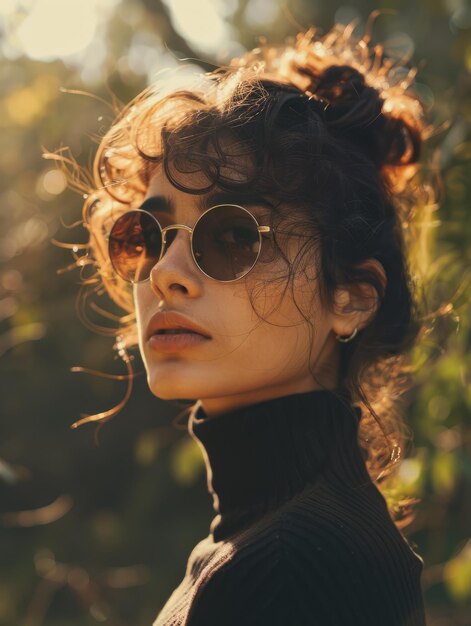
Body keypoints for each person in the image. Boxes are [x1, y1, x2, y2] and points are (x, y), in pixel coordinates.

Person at [53, 18, 434, 626]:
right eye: (145, 237)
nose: (164, 273)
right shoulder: (260, 543)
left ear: (352, 299)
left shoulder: (300, 566)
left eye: (230, 235)